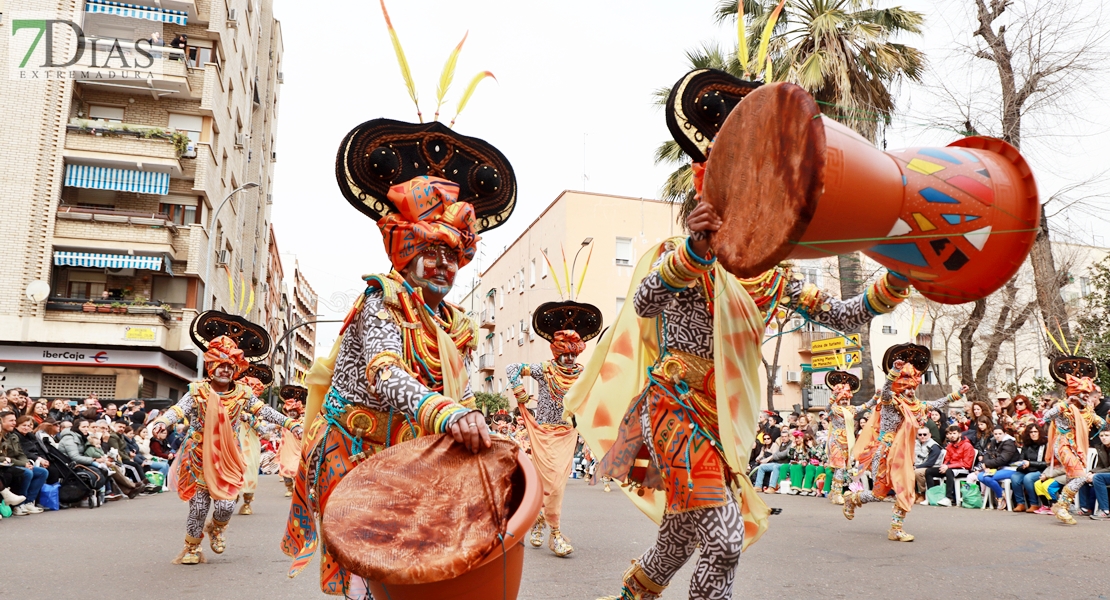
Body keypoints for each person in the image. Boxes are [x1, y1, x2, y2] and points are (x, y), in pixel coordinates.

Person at [573, 170, 911, 596]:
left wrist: (898, 278)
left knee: (679, 538)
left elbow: (843, 315)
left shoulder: (776, 275)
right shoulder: (684, 255)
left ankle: (630, 596)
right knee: (724, 539)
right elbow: (644, 301)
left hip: (725, 423)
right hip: (674, 409)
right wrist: (696, 251)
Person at [282, 107, 511, 595]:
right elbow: (386, 374)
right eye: (431, 252)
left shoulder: (456, 324)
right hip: (351, 448)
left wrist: (478, 426)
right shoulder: (381, 299)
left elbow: (461, 392)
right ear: (405, 252)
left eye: (453, 256)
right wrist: (449, 415)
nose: (443, 265)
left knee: (410, 563)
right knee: (366, 572)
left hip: (407, 452)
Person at [153, 326, 301, 565]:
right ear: (211, 367)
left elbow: (263, 411)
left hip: (228, 456)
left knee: (225, 505)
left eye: (230, 366)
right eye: (220, 365)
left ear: (235, 370)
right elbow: (178, 410)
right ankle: (192, 548)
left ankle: (217, 528)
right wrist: (162, 422)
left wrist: (290, 423)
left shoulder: (242, 394)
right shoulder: (197, 390)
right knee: (199, 507)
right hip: (199, 455)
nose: (224, 369)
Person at [506, 300, 601, 558]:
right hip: (543, 433)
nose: (569, 358)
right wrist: (520, 393)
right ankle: (555, 534)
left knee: (557, 485)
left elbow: (598, 385)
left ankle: (540, 521)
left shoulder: (582, 372)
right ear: (556, 353)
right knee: (551, 485)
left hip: (567, 434)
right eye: (565, 354)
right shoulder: (544, 369)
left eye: (573, 353)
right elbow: (511, 368)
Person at [843, 348, 967, 542]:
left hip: (903, 454)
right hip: (884, 451)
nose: (910, 391)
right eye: (906, 387)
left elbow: (934, 404)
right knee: (879, 493)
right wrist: (892, 372)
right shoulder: (889, 401)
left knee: (906, 488)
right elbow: (885, 391)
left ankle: (896, 529)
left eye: (912, 387)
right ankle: (853, 498)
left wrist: (957, 395)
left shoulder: (915, 405)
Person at [1039, 363, 1106, 525]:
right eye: (1082, 393)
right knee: (1080, 477)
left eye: (1087, 393)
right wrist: (1066, 403)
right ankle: (1061, 506)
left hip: (1077, 448)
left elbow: (1102, 424)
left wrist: (1098, 417)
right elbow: (1046, 417)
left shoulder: (1087, 411)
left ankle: (1063, 505)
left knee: (1074, 478)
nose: (1085, 396)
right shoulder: (1064, 407)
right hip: (1063, 446)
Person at [824, 372, 861, 505]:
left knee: (842, 468)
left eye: (846, 399)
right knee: (839, 467)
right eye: (842, 399)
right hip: (836, 442)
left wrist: (875, 398)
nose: (845, 401)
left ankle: (834, 492)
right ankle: (838, 494)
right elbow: (826, 408)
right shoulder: (834, 410)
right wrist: (833, 396)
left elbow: (865, 406)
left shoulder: (851, 409)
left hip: (848, 443)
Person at [0, 411, 47, 515]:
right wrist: (23, 464)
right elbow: (5, 457)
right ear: (2, 422)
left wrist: (26, 462)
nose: (14, 423)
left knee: (42, 472)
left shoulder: (12, 436)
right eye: (11, 420)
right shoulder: (3, 436)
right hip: (9, 464)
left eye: (14, 420)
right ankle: (18, 505)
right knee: (27, 473)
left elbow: (21, 453)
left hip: (13, 463)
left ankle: (28, 502)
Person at [924, 425, 976, 507]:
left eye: (954, 433)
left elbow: (967, 464)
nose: (952, 436)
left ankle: (949, 498)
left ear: (959, 434)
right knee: (929, 471)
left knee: (949, 471)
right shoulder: (949, 446)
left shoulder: (967, 446)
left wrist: (949, 467)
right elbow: (947, 459)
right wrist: (944, 466)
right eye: (950, 433)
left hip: (963, 469)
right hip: (950, 467)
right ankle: (932, 496)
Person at [975, 426, 1018, 510]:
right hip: (998, 468)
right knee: (980, 476)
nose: (997, 436)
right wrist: (985, 464)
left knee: (987, 477)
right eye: (995, 434)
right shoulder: (993, 442)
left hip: (1010, 468)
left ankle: (1000, 497)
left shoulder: (1009, 443)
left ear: (1004, 433)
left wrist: (987, 464)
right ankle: (1003, 492)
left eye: (1000, 434)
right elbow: (987, 454)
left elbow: (1003, 459)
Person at [1010, 424, 1048, 513]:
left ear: (1040, 432)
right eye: (1031, 432)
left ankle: (1034, 504)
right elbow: (1021, 458)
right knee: (1015, 477)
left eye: (1035, 432)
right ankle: (1020, 504)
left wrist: (1030, 463)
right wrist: (1021, 465)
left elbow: (1047, 463)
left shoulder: (1045, 444)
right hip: (1027, 469)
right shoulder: (1026, 445)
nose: (1033, 434)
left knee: (1028, 478)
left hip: (1041, 470)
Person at [276, 386, 305, 498]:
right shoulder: (284, 422)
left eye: (294, 411)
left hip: (298, 450)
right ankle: (289, 488)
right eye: (290, 411)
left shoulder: (302, 422)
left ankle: (297, 488)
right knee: (286, 470)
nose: (292, 413)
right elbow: (270, 427)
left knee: (296, 469)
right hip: (286, 451)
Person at [1078, 429, 1110, 519]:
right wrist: (1091, 472)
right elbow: (1100, 465)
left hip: (1106, 474)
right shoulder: (1101, 447)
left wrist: (1095, 474)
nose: (1104, 438)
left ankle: (1105, 510)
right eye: (1102, 436)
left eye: (1107, 435)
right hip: (1106, 473)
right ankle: (1086, 508)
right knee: (1083, 477)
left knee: (1098, 477)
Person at [914, 427, 942, 504]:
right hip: (919, 465)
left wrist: (916, 467)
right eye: (920, 434)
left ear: (929, 435)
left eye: (925, 434)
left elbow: (930, 463)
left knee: (917, 472)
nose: (922, 436)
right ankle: (914, 493)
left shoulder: (934, 446)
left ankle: (923, 493)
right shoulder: (917, 444)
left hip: (933, 467)